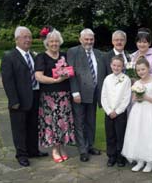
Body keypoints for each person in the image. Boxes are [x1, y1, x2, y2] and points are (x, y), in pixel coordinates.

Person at [0, 26, 48, 167]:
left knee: (33, 126)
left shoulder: (34, 55)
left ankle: (33, 150)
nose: (28, 39)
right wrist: (13, 100)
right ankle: (21, 155)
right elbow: (7, 81)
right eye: (24, 37)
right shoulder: (9, 56)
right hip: (19, 99)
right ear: (17, 39)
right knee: (19, 128)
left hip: (35, 96)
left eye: (29, 37)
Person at [34, 29, 76, 163]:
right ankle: (54, 149)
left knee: (64, 123)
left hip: (64, 95)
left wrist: (67, 73)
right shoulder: (41, 57)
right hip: (49, 97)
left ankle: (63, 147)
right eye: (51, 41)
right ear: (47, 43)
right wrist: (55, 80)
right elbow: (38, 76)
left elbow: (70, 71)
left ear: (60, 42)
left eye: (56, 41)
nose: (54, 43)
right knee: (52, 124)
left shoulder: (64, 55)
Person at [122, 57, 152, 172]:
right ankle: (140, 160)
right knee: (138, 134)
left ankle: (150, 161)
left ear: (148, 69)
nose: (141, 72)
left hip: (150, 112)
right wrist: (137, 97)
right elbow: (133, 99)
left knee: (149, 135)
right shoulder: (137, 83)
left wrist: (146, 97)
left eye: (143, 69)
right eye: (138, 70)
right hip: (138, 112)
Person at [67, 28, 106, 162]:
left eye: (91, 39)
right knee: (79, 122)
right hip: (80, 93)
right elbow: (70, 72)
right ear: (80, 39)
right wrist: (75, 91)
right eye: (86, 39)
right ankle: (82, 150)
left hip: (94, 92)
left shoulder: (99, 53)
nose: (89, 42)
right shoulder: (73, 52)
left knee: (91, 121)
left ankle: (90, 145)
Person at [101, 55, 131, 167]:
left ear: (123, 67)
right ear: (110, 65)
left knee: (120, 135)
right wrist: (109, 111)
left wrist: (117, 111)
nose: (116, 67)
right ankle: (111, 156)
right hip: (108, 113)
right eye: (114, 65)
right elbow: (103, 96)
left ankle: (120, 156)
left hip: (120, 113)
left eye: (119, 66)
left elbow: (126, 98)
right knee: (110, 135)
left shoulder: (126, 79)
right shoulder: (107, 79)